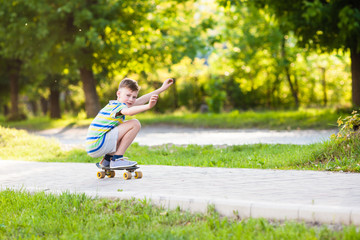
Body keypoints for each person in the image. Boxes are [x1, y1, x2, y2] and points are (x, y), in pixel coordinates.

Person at [86, 77, 173, 168]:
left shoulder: (115, 104)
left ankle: (107, 160)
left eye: (134, 97)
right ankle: (117, 159)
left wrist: (162, 89)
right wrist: (148, 106)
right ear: (118, 94)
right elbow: (129, 112)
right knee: (134, 124)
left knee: (124, 129)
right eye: (128, 95)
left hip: (94, 146)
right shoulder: (118, 106)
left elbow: (141, 100)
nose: (131, 99)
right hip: (97, 143)